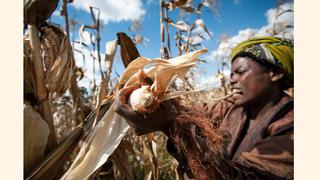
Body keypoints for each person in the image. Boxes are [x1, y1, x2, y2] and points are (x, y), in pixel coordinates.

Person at [114, 36, 293, 180]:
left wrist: (169, 126)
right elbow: (187, 113)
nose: (231, 80)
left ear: (275, 73)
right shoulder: (230, 107)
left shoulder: (291, 128)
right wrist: (155, 100)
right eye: (231, 74)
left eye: (240, 72)